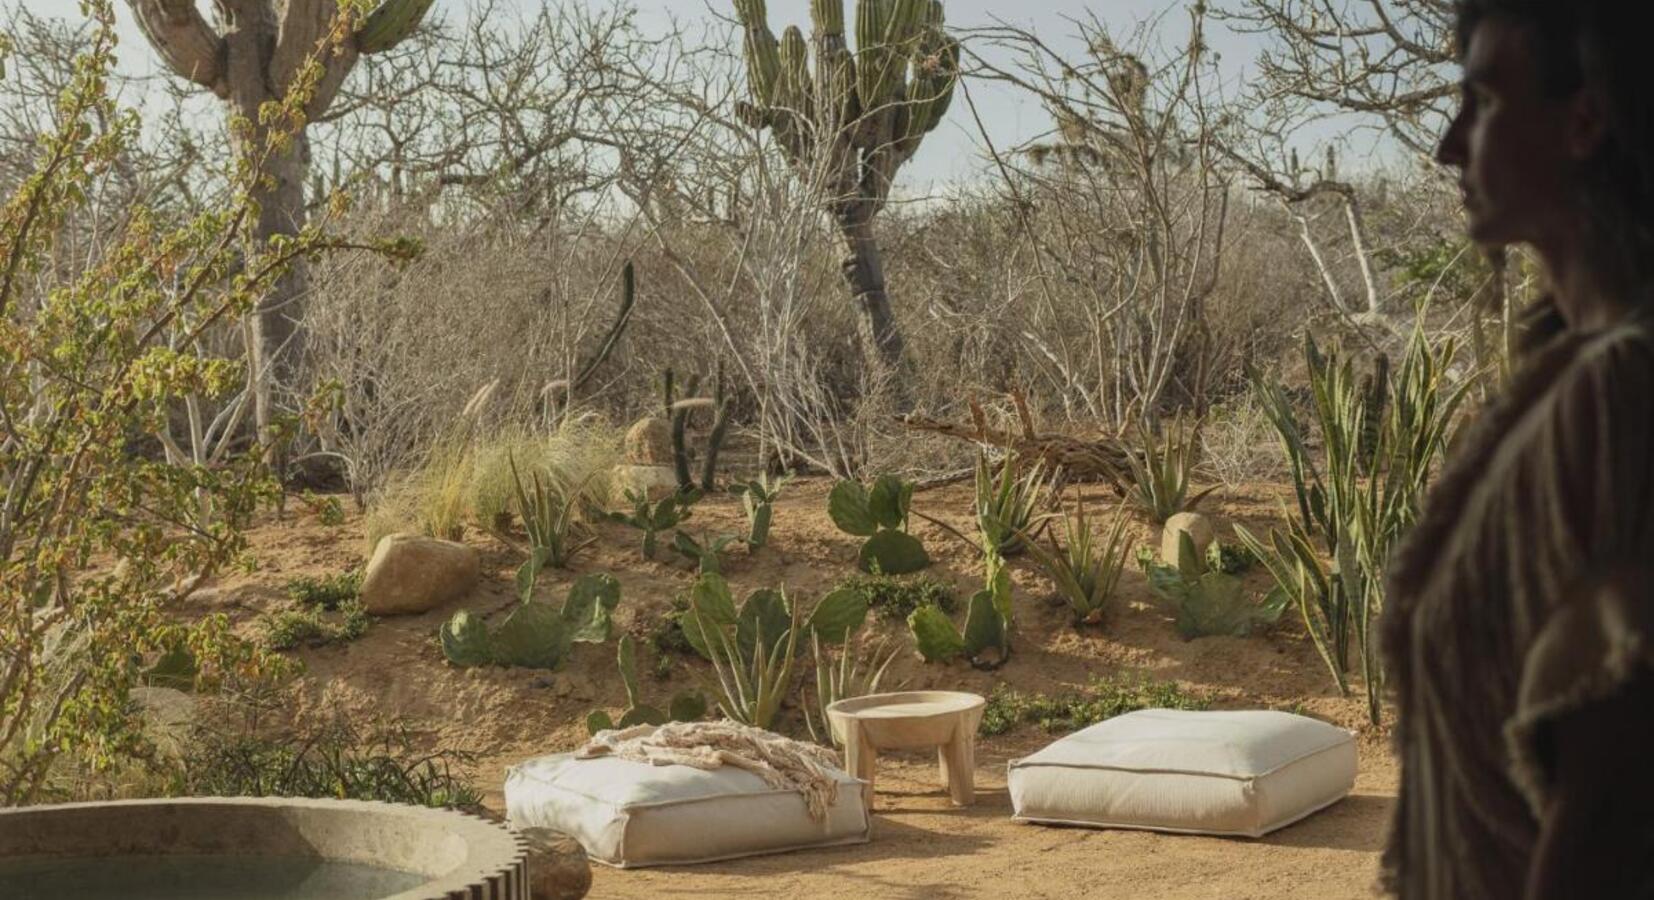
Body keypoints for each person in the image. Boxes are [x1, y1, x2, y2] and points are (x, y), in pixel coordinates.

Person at [1382, 1, 1654, 898]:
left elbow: (1613, 807)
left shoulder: (1620, 396)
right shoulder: (1570, 381)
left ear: (1586, 120)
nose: (1451, 145)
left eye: (1485, 100)